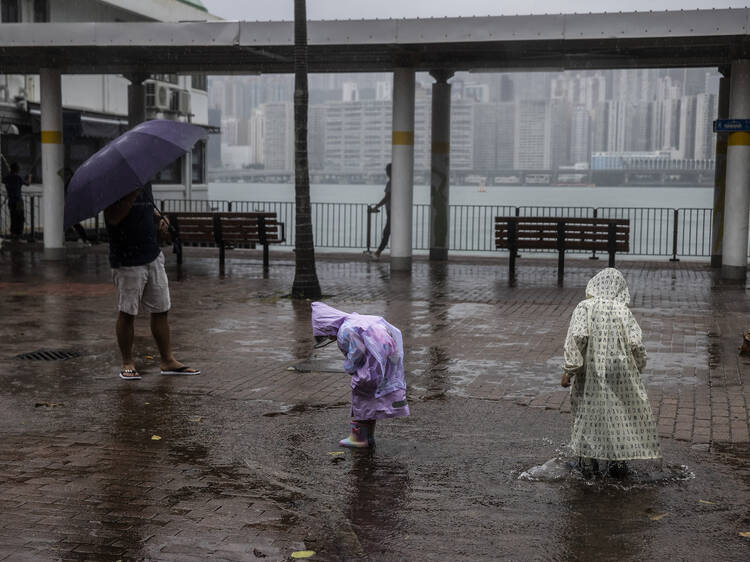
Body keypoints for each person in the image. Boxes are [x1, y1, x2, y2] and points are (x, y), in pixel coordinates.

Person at [561, 268, 661, 478]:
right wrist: (639, 366)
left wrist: (569, 370)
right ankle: (619, 462)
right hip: (620, 370)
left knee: (589, 411)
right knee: (619, 412)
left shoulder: (585, 307)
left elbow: (578, 337)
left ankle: (587, 462)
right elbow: (636, 343)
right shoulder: (623, 311)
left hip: (590, 371)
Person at [104, 181, 199, 380]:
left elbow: (147, 209)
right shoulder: (112, 184)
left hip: (152, 253)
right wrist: (132, 193)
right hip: (127, 259)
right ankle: (127, 363)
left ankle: (167, 360)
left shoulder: (144, 180)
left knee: (161, 309)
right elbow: (113, 218)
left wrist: (160, 219)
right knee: (128, 311)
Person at [311, 301, 409, 448]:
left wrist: (350, 367)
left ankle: (359, 438)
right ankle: (368, 435)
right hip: (385, 361)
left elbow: (357, 351)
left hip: (370, 366)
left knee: (361, 394)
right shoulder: (357, 320)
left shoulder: (345, 329)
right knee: (371, 399)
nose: (329, 338)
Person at [60, 167, 92, 245]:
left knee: (74, 223)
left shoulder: (71, 183)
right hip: (71, 205)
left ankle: (83, 238)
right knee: (74, 223)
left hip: (72, 205)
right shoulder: (72, 182)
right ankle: (83, 238)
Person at [2, 162, 30, 242]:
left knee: (13, 217)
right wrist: (29, 177)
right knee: (20, 218)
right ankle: (18, 236)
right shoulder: (18, 177)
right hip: (18, 201)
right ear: (17, 169)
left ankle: (13, 234)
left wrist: (9, 173)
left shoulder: (7, 178)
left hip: (11, 201)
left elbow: (4, 180)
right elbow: (28, 184)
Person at [371, 163, 391, 259]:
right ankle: (379, 252)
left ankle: (378, 252)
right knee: (388, 232)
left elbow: (387, 197)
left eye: (387, 171)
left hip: (392, 212)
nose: (386, 173)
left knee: (386, 232)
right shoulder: (396, 182)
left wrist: (377, 206)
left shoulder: (391, 183)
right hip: (392, 212)